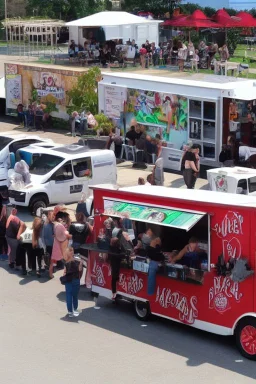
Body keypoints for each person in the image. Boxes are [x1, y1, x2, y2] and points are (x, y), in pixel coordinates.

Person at [49, 208, 71, 279]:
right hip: (63, 243)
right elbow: (66, 234)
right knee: (66, 259)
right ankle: (66, 274)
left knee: (53, 259)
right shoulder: (61, 226)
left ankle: (50, 273)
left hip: (56, 242)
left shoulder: (55, 225)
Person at [63, 247, 83, 318]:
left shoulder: (66, 262)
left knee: (68, 295)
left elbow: (64, 273)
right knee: (75, 295)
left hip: (68, 280)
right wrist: (81, 263)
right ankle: (75, 309)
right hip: (75, 280)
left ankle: (70, 312)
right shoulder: (77, 262)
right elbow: (80, 270)